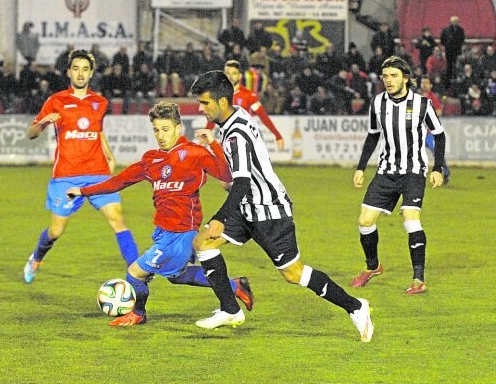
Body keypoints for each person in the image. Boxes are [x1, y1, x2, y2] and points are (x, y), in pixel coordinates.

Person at [189, 70, 373, 342]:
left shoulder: (236, 134)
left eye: (205, 103)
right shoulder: (235, 117)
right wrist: (214, 144)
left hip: (269, 210)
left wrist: (219, 217)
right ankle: (230, 308)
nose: (201, 108)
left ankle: (356, 307)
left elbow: (240, 182)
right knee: (203, 244)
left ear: (223, 102)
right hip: (246, 206)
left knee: (293, 273)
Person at [66, 101, 253, 326]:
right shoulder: (151, 159)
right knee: (177, 276)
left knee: (135, 273)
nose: (161, 135)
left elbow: (225, 174)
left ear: (178, 128)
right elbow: (118, 181)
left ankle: (138, 313)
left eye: (165, 129)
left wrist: (213, 144)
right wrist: (84, 191)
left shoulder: (194, 153)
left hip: (182, 230)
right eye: (156, 130)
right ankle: (235, 285)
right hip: (162, 231)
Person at [22, 49, 139, 284]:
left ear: (91, 73)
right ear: (68, 72)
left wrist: (108, 153)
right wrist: (44, 121)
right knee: (55, 231)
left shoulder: (100, 102)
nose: (80, 73)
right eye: (76, 68)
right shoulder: (56, 101)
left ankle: (138, 270)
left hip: (97, 173)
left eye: (85, 69)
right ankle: (36, 257)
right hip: (66, 176)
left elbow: (96, 131)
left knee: (117, 219)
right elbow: (31, 133)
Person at [350, 56, 446, 295]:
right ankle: (373, 267)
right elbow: (373, 135)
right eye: (385, 76)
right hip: (386, 171)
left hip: (413, 171)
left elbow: (440, 135)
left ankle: (418, 279)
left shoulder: (423, 104)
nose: (388, 81)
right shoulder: (377, 103)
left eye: (393, 76)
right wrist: (361, 167)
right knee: (364, 222)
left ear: (405, 78)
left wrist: (437, 168)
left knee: (411, 219)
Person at [205, 60, 285, 151]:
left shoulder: (248, 95)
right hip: (227, 142)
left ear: (240, 76)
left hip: (245, 141)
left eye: (234, 73)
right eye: (228, 73)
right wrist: (206, 134)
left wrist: (277, 136)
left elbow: (263, 116)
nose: (230, 76)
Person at [419, 75, 451, 184]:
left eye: (426, 83)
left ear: (430, 85)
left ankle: (445, 172)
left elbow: (439, 112)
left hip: (429, 133)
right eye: (423, 82)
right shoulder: (416, 97)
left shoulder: (432, 97)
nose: (424, 85)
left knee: (436, 152)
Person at [440, 16, 465, 86]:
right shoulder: (446, 30)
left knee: (457, 67)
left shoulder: (461, 30)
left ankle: (457, 82)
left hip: (457, 52)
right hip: (449, 52)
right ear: (451, 22)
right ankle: (448, 83)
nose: (455, 23)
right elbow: (442, 40)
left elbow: (462, 40)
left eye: (456, 21)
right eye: (454, 21)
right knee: (449, 67)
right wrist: (447, 45)